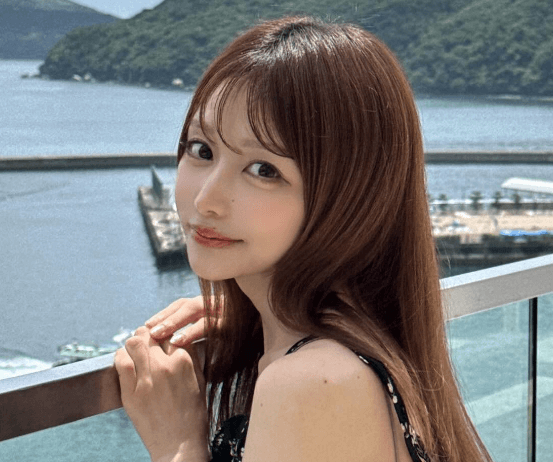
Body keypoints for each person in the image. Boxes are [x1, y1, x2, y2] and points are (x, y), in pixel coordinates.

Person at [114, 15, 493, 462]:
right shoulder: (359, 346)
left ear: (349, 196)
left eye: (264, 170)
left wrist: (178, 444)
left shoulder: (312, 383)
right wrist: (254, 317)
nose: (206, 199)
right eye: (202, 149)